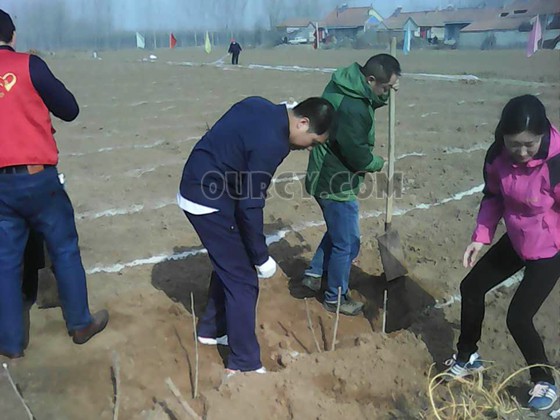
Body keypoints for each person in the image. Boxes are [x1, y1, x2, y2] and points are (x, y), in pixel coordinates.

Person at [178, 96, 334, 375]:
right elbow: (251, 204)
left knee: (231, 263)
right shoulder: (273, 143)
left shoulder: (259, 105)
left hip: (205, 181)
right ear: (302, 123)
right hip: (206, 197)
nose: (310, 149)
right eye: (312, 142)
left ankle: (212, 329)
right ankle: (244, 363)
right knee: (243, 280)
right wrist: (261, 257)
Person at [0, 9, 108, 359]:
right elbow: (69, 109)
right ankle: (80, 323)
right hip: (37, 178)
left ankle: (10, 343)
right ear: (12, 35)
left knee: (5, 262)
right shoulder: (29, 65)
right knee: (63, 248)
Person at [445, 95, 559, 411]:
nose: (521, 152)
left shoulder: (556, 163)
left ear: (543, 135)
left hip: (550, 247)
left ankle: (545, 380)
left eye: (529, 145)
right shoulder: (497, 156)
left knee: (518, 317)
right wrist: (481, 237)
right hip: (518, 238)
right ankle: (468, 356)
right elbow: (493, 197)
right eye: (514, 145)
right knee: (471, 287)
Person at [301, 54, 401, 316]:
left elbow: (366, 101)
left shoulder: (345, 84)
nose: (387, 93)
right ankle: (335, 297)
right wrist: (377, 162)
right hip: (335, 181)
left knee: (338, 232)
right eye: (385, 88)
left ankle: (314, 273)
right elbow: (357, 154)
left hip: (326, 172)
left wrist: (386, 91)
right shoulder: (353, 108)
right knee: (347, 243)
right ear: (370, 80)